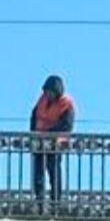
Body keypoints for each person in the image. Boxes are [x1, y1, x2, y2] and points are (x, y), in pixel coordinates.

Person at [30, 74, 76, 206]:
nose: (48, 94)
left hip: (55, 144)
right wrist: (33, 134)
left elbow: (66, 126)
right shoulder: (42, 100)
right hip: (39, 142)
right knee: (38, 173)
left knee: (54, 171)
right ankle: (39, 199)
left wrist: (49, 134)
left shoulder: (67, 104)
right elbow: (34, 116)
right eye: (47, 91)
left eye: (51, 92)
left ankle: (56, 200)